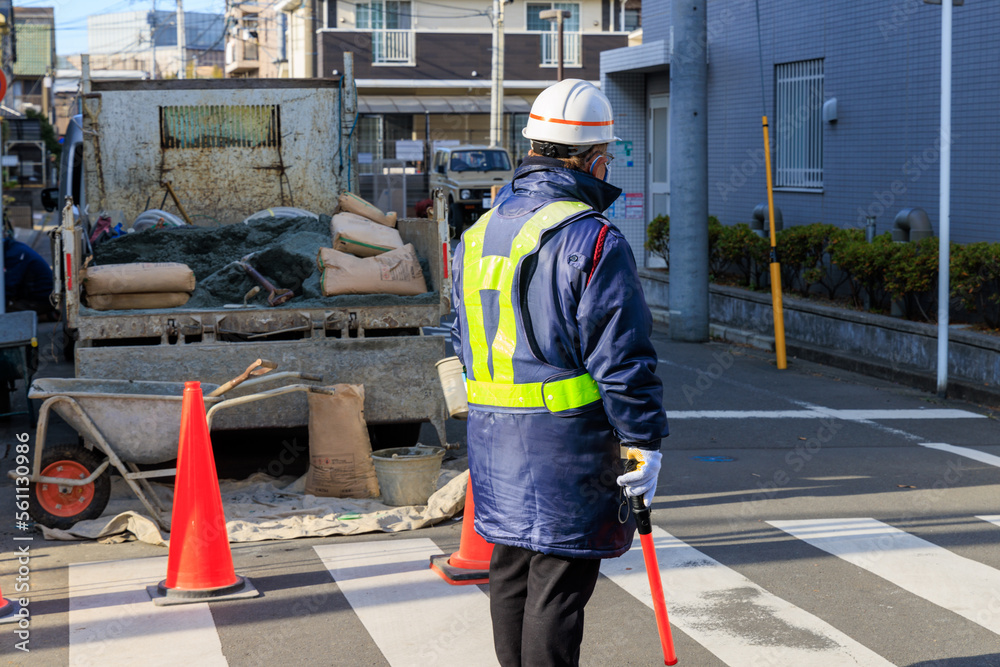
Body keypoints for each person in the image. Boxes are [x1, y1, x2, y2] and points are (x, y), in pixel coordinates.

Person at [450, 79, 669, 666]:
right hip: (566, 443)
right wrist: (644, 440)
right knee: (559, 587)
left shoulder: (478, 232)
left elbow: (461, 338)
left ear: (534, 147)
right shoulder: (591, 237)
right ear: (594, 158)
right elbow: (621, 354)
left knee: (512, 571)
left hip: (493, 437)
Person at [4, 228, 57, 320]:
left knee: (7, 315)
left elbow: (9, 285)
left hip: (41, 298)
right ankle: (46, 315)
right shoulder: (14, 248)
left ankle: (45, 314)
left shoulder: (14, 254)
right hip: (42, 295)